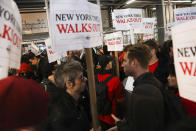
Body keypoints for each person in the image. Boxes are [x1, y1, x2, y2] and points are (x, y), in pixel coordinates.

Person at [110, 44, 164, 131]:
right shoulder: (149, 84)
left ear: (134, 62)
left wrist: (121, 127)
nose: (122, 65)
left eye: (124, 61)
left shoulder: (145, 93)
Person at [47, 60, 99, 131]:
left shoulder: (76, 101)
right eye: (81, 78)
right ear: (69, 84)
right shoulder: (62, 114)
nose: (85, 79)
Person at [96, 55, 125, 131]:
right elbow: (120, 99)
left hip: (100, 115)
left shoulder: (96, 78)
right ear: (108, 65)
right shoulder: (114, 80)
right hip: (112, 117)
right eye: (110, 62)